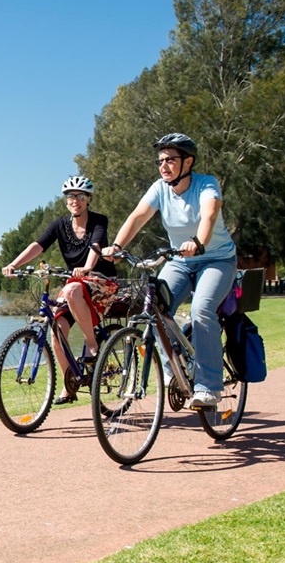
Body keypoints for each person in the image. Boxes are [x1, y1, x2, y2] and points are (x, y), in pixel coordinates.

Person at [101, 133, 237, 411]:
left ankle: (208, 386)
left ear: (187, 162)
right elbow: (138, 217)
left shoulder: (206, 184)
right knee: (154, 308)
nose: (163, 165)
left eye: (170, 160)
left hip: (217, 260)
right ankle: (175, 368)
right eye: (160, 160)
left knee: (201, 309)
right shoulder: (159, 188)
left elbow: (209, 215)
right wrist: (116, 246)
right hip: (179, 260)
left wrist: (198, 242)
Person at [2, 176, 118, 404]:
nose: (75, 200)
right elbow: (38, 245)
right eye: (71, 196)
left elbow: (96, 244)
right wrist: (15, 264)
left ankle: (91, 342)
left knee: (72, 289)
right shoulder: (60, 224)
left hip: (100, 280)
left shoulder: (98, 221)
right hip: (76, 282)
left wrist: (87, 267)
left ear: (88, 200)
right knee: (57, 330)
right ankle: (70, 383)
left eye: (81, 196)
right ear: (66, 201)